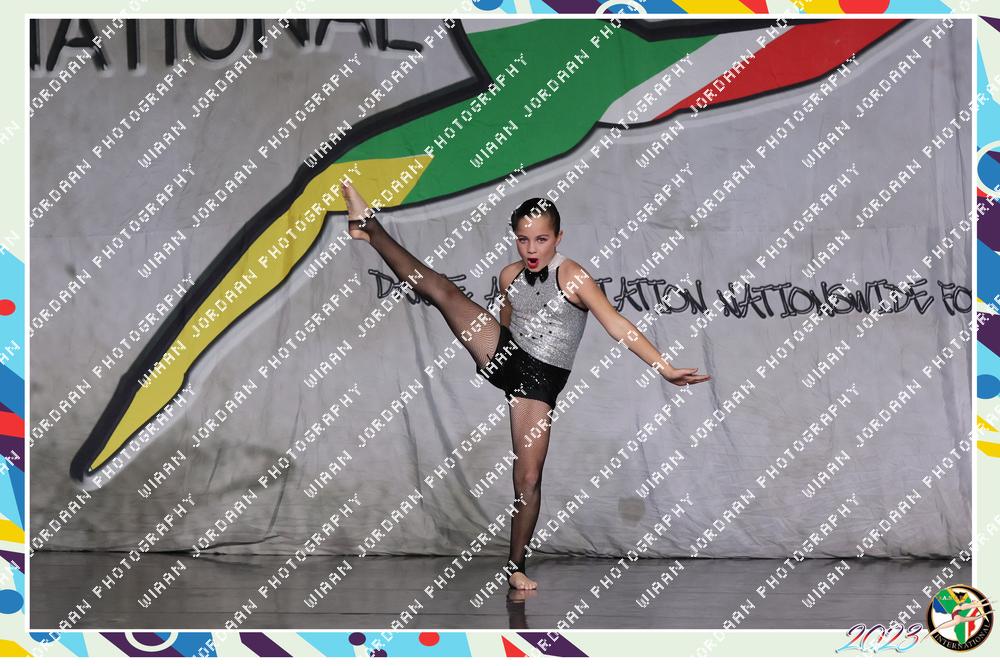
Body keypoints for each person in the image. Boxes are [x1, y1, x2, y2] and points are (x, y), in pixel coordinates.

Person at [338, 180, 710, 590]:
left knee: (528, 479)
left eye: (541, 240)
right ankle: (369, 228)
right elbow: (507, 319)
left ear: (559, 237)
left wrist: (664, 367)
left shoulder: (574, 276)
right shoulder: (509, 274)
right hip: (507, 355)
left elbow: (617, 324)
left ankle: (515, 567)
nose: (531, 249)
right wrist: (490, 351)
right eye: (523, 239)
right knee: (442, 290)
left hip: (539, 381)